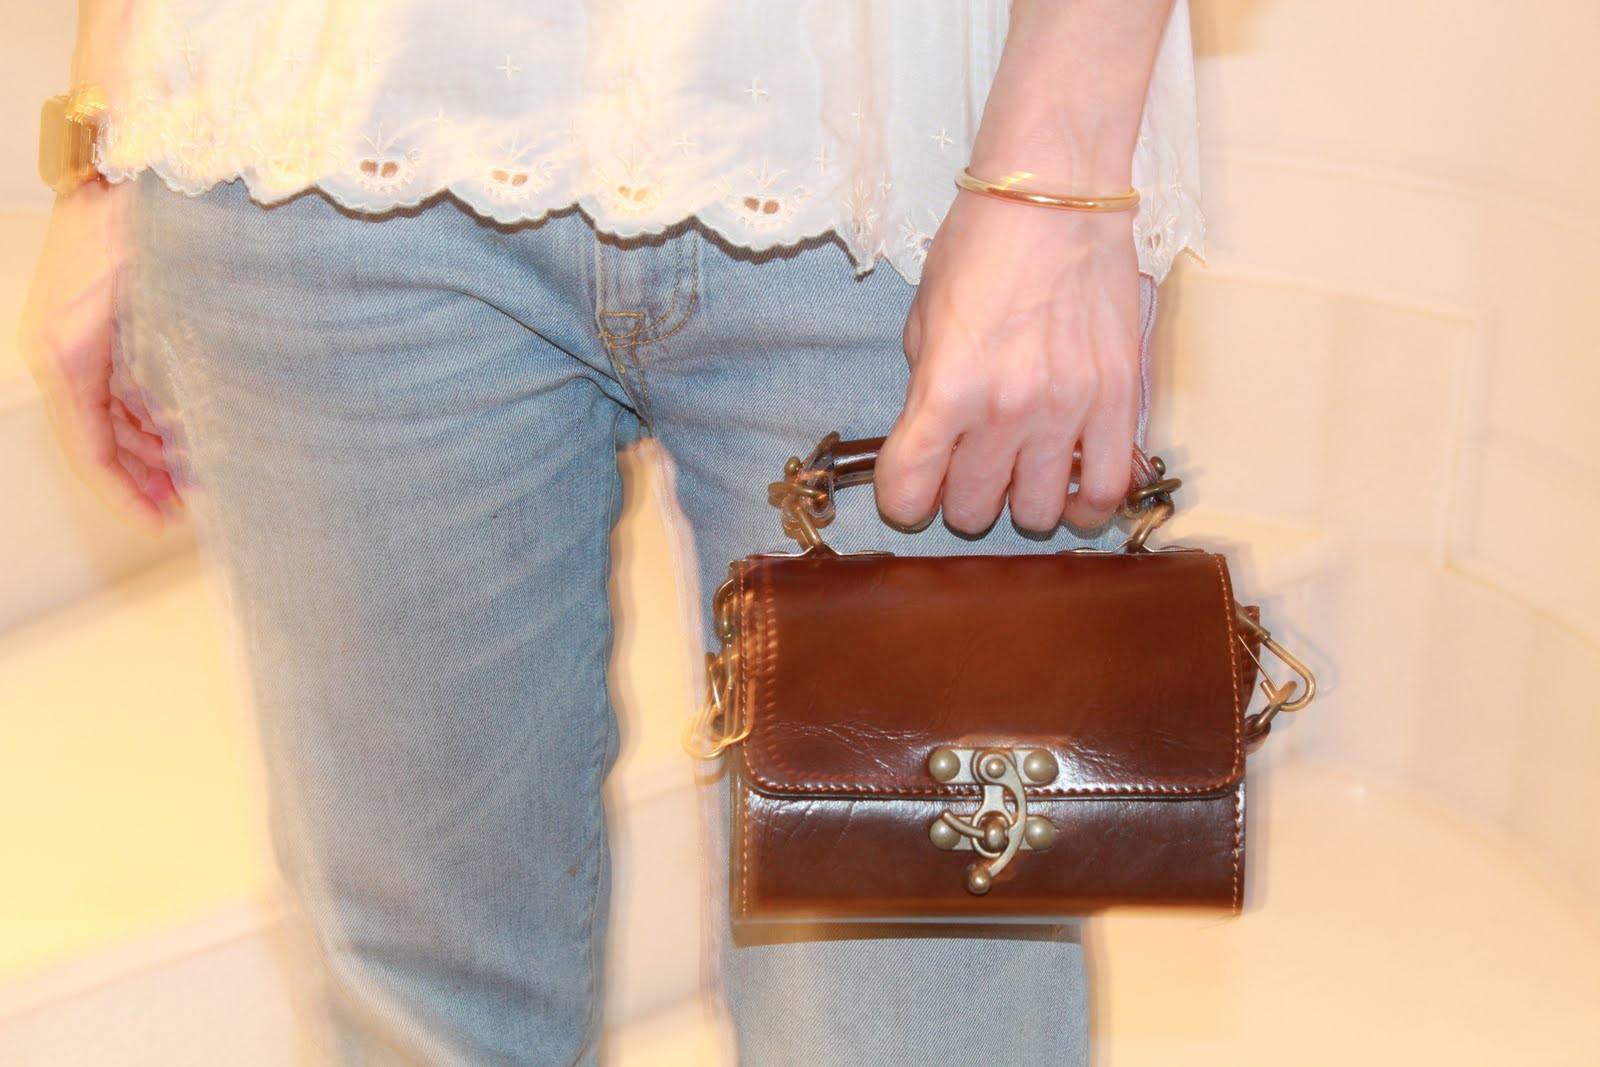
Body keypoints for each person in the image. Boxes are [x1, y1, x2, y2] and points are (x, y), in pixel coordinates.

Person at [22, 1, 1204, 1062]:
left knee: (923, 1023)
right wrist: (105, 120)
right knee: (416, 1016)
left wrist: (1058, 178)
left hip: (899, 169)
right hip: (313, 142)